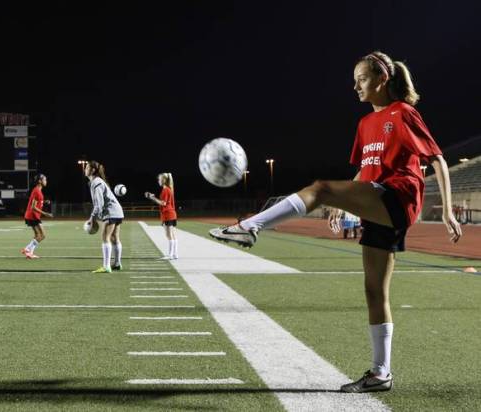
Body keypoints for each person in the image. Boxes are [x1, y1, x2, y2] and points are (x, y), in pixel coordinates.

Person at [210, 51, 462, 393]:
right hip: (375, 199)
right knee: (374, 291)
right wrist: (343, 207)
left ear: (382, 79)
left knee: (321, 188)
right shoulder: (364, 124)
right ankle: (380, 373)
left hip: (398, 197)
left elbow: (438, 161)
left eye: (362, 78)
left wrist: (447, 210)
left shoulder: (402, 114)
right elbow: (364, 170)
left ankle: (250, 226)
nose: (355, 85)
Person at [84, 161, 125, 273]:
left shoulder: (96, 182)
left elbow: (99, 204)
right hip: (117, 211)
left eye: (87, 167)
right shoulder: (97, 181)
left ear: (92, 170)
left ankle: (106, 266)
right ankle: (117, 264)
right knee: (114, 238)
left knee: (105, 238)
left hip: (111, 212)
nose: (85, 169)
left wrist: (92, 218)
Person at [145, 172, 178, 259]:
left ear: (163, 180)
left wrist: (152, 198)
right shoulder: (168, 189)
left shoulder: (165, 190)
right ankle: (174, 254)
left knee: (168, 235)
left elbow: (163, 203)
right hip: (172, 214)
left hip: (168, 214)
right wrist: (153, 197)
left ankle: (170, 255)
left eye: (159, 179)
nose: (158, 181)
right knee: (172, 235)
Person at [21, 174, 53, 259]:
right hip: (33, 216)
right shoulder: (37, 191)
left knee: (37, 235)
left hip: (30, 215)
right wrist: (45, 213)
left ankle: (30, 253)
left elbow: (37, 202)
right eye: (44, 179)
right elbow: (33, 207)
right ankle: (27, 249)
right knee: (42, 235)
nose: (46, 181)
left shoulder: (37, 190)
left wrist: (44, 201)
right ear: (40, 181)